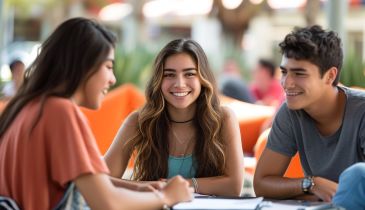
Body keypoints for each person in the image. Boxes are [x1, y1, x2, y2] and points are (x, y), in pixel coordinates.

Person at [0, 17, 192, 210]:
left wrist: (142, 189)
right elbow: (107, 202)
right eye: (108, 67)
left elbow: (91, 181)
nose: (112, 79)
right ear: (83, 65)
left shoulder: (27, 107)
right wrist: (166, 196)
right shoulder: (60, 111)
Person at [105, 39, 244, 196]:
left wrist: (181, 185)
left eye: (189, 74)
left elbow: (234, 186)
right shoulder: (139, 121)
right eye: (169, 75)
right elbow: (102, 180)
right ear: (158, 80)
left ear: (202, 78)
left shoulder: (223, 119)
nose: (179, 83)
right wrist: (152, 187)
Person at [253, 24, 365, 206]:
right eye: (284, 72)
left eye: (299, 73)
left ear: (330, 76)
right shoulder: (291, 112)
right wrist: (311, 184)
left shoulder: (362, 111)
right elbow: (262, 183)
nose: (287, 83)